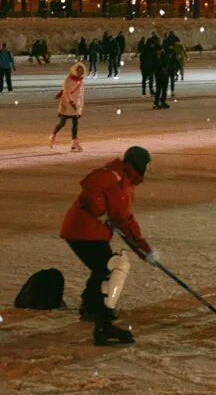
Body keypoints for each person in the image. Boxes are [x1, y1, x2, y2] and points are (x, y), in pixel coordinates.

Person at [60, 146, 157, 345]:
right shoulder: (114, 174)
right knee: (114, 267)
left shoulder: (127, 183)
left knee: (103, 269)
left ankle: (91, 307)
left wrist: (144, 249)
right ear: (136, 164)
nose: (147, 170)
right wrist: (99, 210)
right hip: (83, 231)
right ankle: (102, 323)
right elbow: (90, 184)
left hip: (92, 233)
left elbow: (125, 220)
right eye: (146, 166)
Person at [51, 62, 86, 151]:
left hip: (75, 104)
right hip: (67, 104)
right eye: (78, 71)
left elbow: (81, 94)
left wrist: (80, 107)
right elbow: (65, 92)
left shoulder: (80, 80)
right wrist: (71, 102)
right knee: (62, 123)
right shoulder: (68, 79)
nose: (80, 73)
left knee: (75, 123)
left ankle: (74, 142)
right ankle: (53, 135)